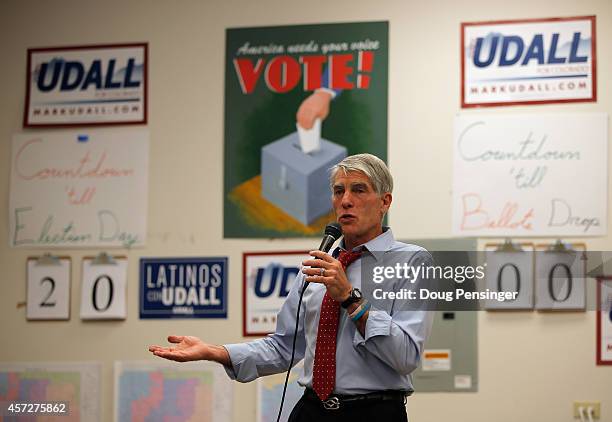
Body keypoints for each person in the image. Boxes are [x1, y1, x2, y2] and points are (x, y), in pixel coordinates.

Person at [149, 153, 434, 421]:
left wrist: (350, 299)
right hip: (311, 410)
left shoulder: (412, 261)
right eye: (338, 191)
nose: (345, 201)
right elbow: (284, 347)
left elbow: (406, 356)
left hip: (374, 412)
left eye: (358, 190)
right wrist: (214, 351)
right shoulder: (319, 265)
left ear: (385, 202)